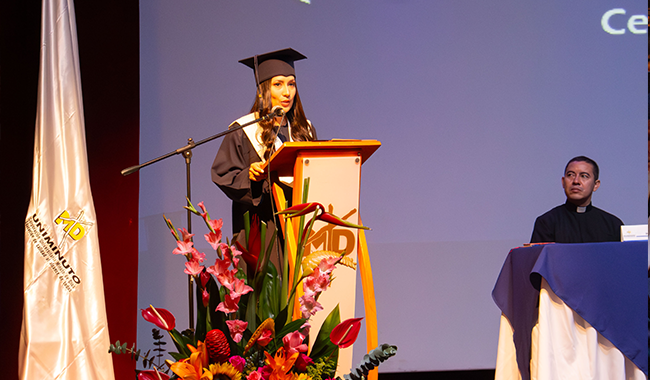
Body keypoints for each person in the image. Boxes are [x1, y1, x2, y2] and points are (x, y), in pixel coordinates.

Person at [212, 48, 317, 245]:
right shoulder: (244, 130)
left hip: (300, 231)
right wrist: (251, 178)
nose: (287, 92)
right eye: (278, 84)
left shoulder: (305, 130)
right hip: (261, 232)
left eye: (291, 84)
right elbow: (224, 174)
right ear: (263, 90)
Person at [530, 156, 623, 243]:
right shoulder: (547, 222)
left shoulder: (613, 225)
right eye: (570, 175)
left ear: (596, 185)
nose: (576, 181)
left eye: (584, 176)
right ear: (563, 182)